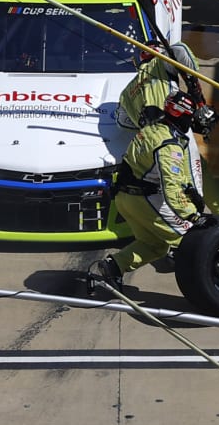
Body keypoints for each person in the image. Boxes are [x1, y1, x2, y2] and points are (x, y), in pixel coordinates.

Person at [89, 91, 211, 288]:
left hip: (124, 198)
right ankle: (211, 280)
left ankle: (114, 267)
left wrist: (190, 192)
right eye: (189, 116)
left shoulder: (151, 130)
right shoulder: (169, 145)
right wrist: (193, 216)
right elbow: (170, 187)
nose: (191, 121)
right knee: (192, 236)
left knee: (155, 246)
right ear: (182, 116)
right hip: (144, 200)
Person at [116, 40, 219, 215]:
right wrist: (199, 101)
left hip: (147, 141)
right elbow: (181, 49)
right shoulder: (160, 62)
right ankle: (210, 219)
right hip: (172, 135)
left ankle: (186, 220)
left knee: (167, 183)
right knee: (193, 175)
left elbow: (122, 122)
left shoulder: (126, 92)